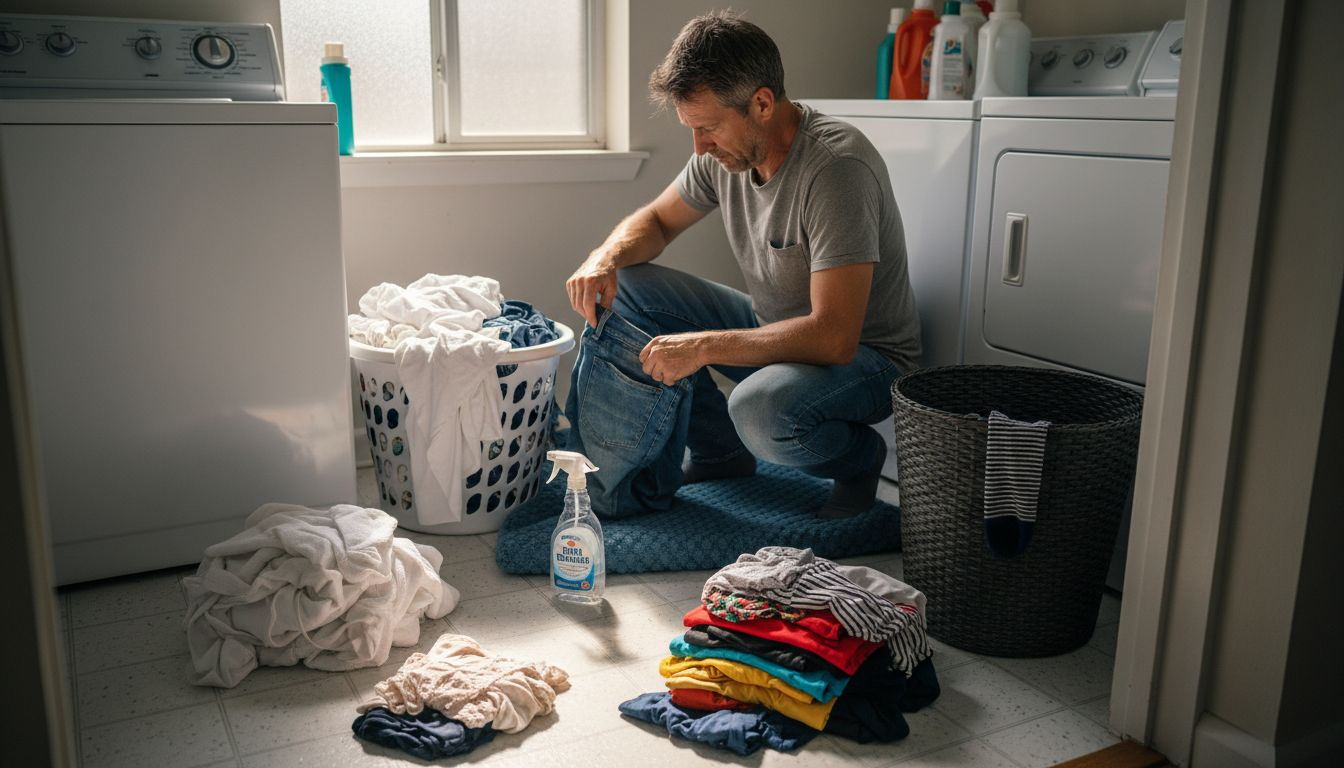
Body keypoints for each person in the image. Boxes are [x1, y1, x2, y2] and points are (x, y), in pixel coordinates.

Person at [565, 11, 920, 518]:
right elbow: (658, 223)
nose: (699, 147)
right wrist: (604, 259)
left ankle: (859, 459)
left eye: (708, 129)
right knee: (629, 285)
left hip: (867, 358)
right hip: (775, 326)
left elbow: (835, 337)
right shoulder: (724, 156)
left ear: (761, 103)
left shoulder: (837, 168)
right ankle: (721, 451)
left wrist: (703, 347)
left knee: (757, 409)